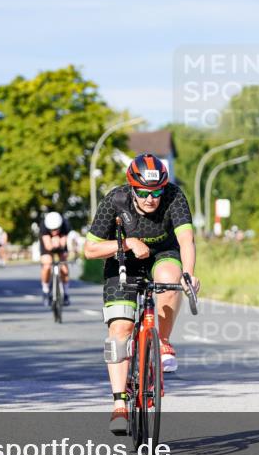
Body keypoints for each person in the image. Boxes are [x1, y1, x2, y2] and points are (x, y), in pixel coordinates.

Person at [83, 153, 200, 434]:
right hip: (123, 261)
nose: (151, 199)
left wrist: (189, 273)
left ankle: (163, 342)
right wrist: (127, 244)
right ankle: (119, 403)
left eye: (157, 192)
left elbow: (186, 239)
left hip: (162, 255)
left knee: (170, 278)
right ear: (132, 188)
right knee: (120, 329)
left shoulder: (174, 196)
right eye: (145, 193)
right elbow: (90, 250)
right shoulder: (115, 200)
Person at [40, 211, 71, 307]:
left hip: (60, 242)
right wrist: (53, 242)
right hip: (48, 243)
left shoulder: (65, 224)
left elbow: (63, 243)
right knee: (47, 265)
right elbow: (48, 246)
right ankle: (45, 290)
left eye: (56, 229)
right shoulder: (43, 226)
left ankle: (65, 293)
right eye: (52, 230)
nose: (54, 232)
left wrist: (59, 243)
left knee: (64, 268)